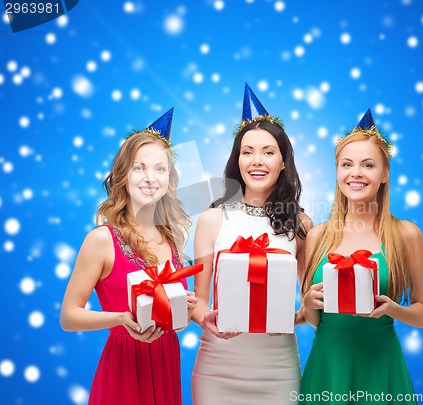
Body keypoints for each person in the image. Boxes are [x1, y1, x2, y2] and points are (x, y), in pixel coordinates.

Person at [60, 108, 197, 405]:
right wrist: (121, 320)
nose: (150, 178)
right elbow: (69, 316)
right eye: (139, 168)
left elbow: (175, 318)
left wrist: (183, 310)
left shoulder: (175, 237)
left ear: (169, 178)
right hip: (122, 366)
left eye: (160, 169)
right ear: (122, 175)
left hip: (166, 363)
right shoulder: (101, 240)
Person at [191, 84, 312, 405]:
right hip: (218, 366)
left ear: (284, 162)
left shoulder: (300, 223)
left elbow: (311, 304)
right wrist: (206, 319)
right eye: (248, 152)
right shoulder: (211, 219)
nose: (256, 161)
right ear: (237, 160)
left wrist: (295, 318)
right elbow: (199, 300)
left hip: (278, 367)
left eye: (268, 152)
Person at [300, 109, 423, 404]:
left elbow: (422, 315)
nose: (355, 173)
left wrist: (391, 309)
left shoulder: (406, 234)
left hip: (380, 364)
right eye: (347, 164)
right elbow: (314, 321)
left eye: (368, 165)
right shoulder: (318, 236)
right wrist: (307, 303)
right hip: (329, 365)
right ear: (337, 172)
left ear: (384, 174)